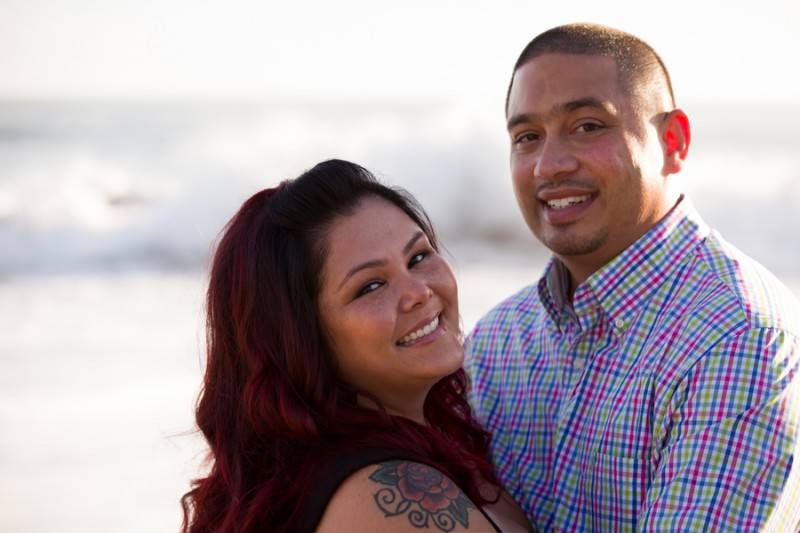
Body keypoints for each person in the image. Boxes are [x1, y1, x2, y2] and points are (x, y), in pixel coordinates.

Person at [465, 23, 800, 531]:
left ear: (673, 141)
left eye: (588, 125)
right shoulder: (496, 342)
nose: (549, 166)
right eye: (527, 137)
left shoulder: (737, 337)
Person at [180, 159, 533, 532]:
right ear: (301, 338)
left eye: (418, 257)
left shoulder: (318, 468)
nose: (418, 291)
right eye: (371, 286)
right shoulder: (390, 496)